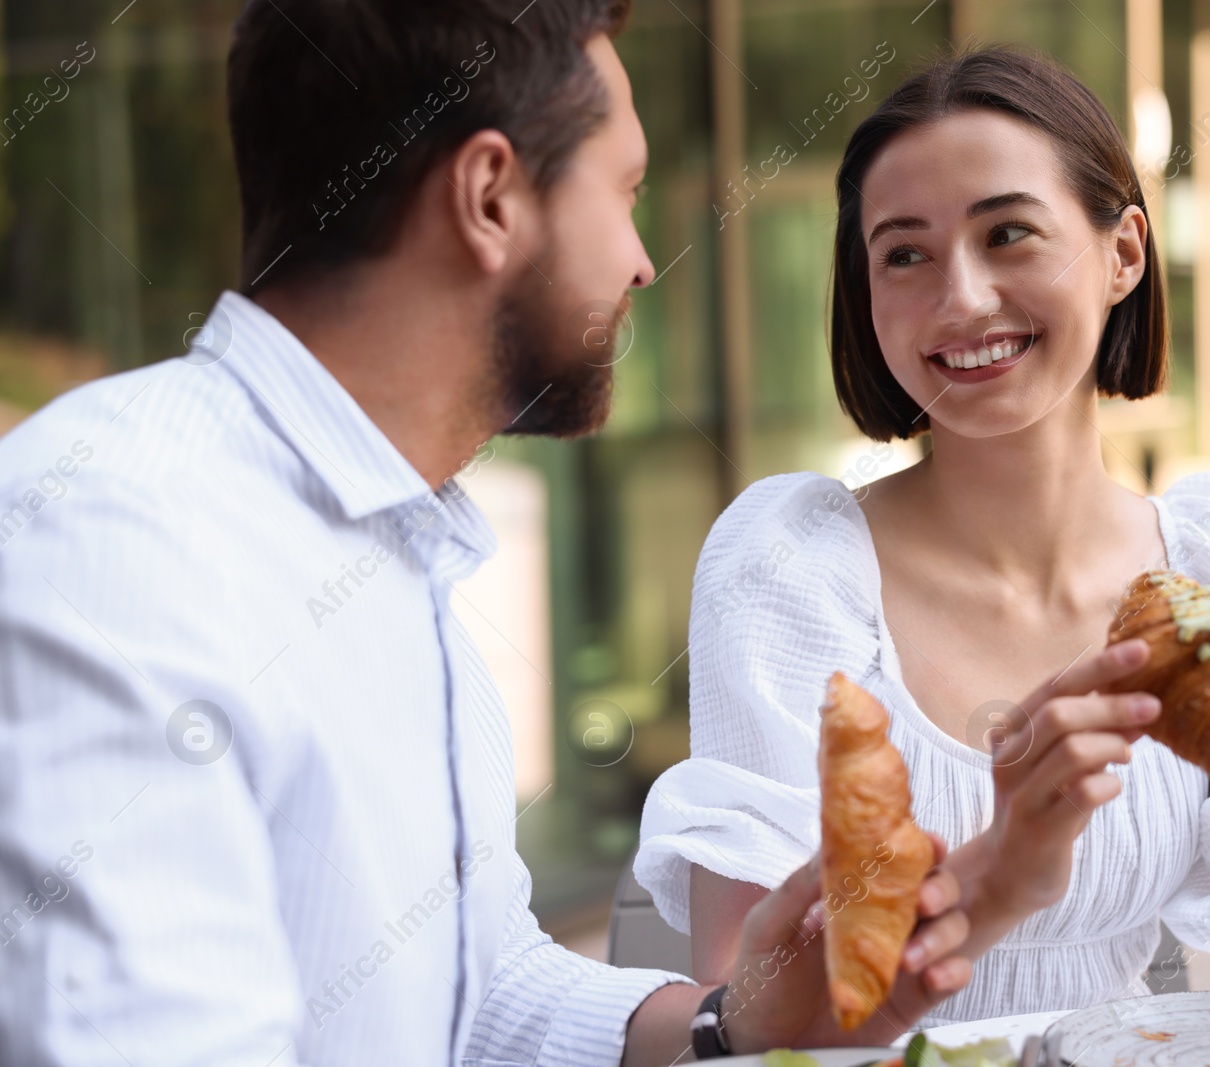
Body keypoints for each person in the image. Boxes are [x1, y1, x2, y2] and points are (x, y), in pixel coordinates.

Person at [0, 4, 1115, 1064]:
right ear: (490, 196)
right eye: (624, 189)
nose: (640, 259)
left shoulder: (402, 555)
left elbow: (478, 990)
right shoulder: (117, 539)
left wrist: (732, 1018)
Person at [635, 47, 1210, 1025]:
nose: (962, 297)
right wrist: (998, 871)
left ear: (1124, 253)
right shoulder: (788, 568)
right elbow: (750, 1016)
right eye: (903, 253)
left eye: (1008, 233)